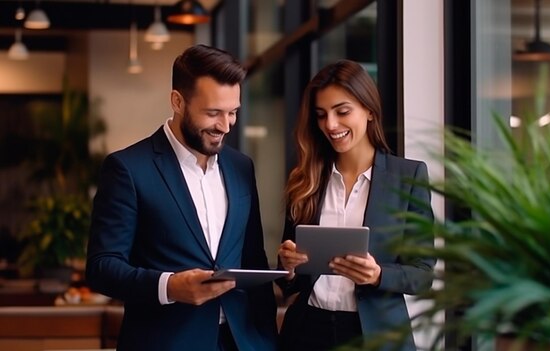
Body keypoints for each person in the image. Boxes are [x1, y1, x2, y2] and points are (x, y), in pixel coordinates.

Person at [86, 45, 277, 351]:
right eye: (213, 113)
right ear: (177, 101)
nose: (225, 126)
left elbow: (252, 257)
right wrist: (170, 286)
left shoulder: (242, 167)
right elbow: (102, 267)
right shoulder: (127, 168)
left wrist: (267, 341)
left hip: (242, 342)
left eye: (233, 113)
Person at [276, 59, 435, 351]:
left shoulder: (408, 176)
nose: (331, 125)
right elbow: (290, 282)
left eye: (342, 111)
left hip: (375, 335)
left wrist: (378, 275)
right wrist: (288, 267)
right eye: (321, 115)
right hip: (308, 331)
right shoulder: (306, 178)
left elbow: (423, 274)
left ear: (370, 111)